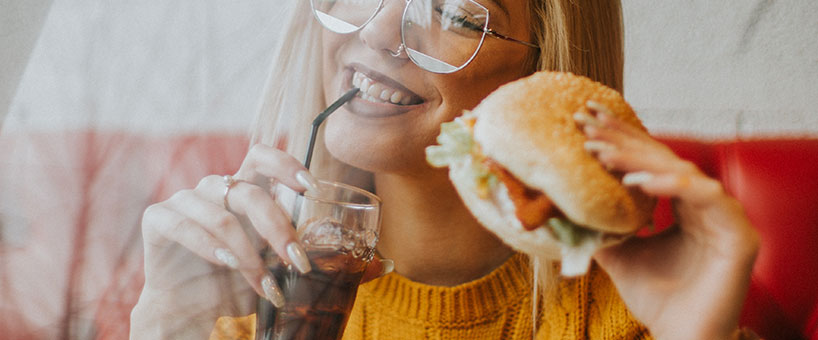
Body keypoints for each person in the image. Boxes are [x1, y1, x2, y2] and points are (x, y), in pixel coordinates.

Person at [130, 0, 761, 339]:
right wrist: (160, 324)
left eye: (456, 14)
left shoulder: (637, 323)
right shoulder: (243, 296)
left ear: (546, 70)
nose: (376, 30)